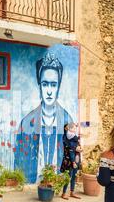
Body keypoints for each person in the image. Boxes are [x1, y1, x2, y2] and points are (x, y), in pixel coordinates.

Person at [15, 53, 73, 183]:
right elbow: (19, 162)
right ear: (39, 86)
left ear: (58, 88)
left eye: (53, 85)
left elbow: (72, 151)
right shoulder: (27, 122)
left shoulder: (67, 120)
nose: (49, 91)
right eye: (45, 84)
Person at [60, 122, 82, 200]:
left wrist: (79, 148)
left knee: (74, 175)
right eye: (67, 127)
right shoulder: (65, 137)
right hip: (69, 159)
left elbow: (77, 145)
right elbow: (69, 148)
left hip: (76, 158)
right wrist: (75, 148)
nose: (68, 129)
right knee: (68, 176)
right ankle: (63, 193)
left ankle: (72, 192)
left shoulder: (74, 136)